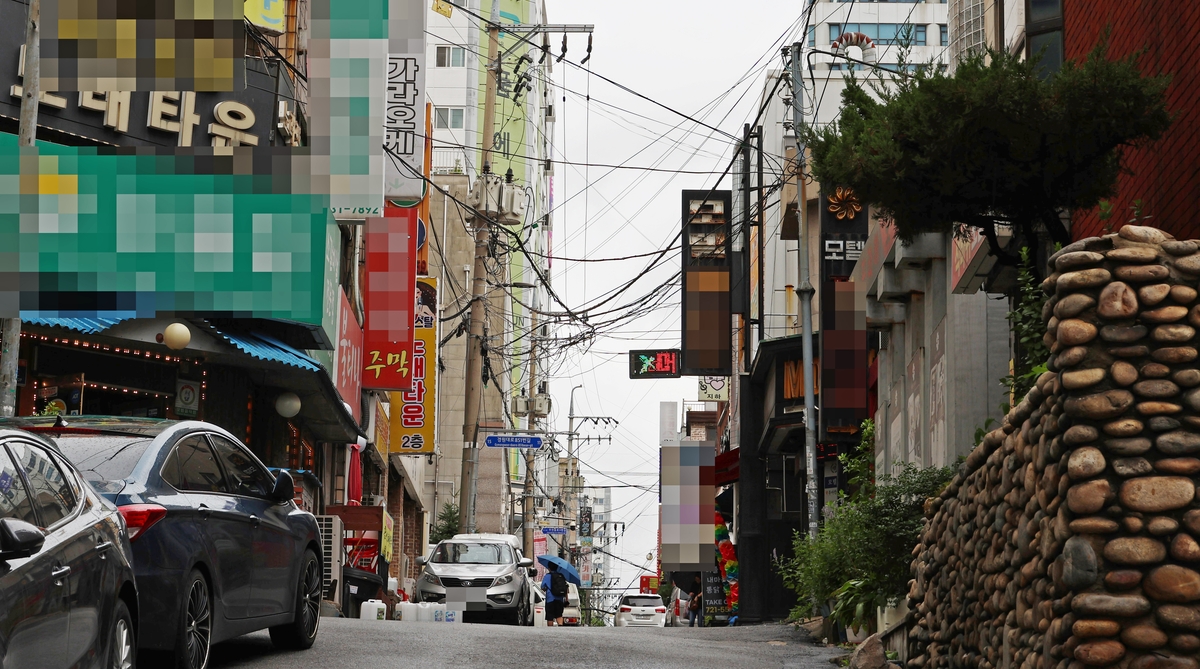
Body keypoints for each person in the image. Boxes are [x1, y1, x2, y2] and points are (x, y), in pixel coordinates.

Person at [541, 562, 569, 627]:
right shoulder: (561, 576)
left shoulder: (547, 576)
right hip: (560, 599)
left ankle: (551, 631)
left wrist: (547, 589)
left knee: (550, 617)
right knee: (559, 615)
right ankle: (560, 627)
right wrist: (566, 600)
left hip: (550, 599)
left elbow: (542, 587)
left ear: (549, 568)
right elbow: (566, 589)